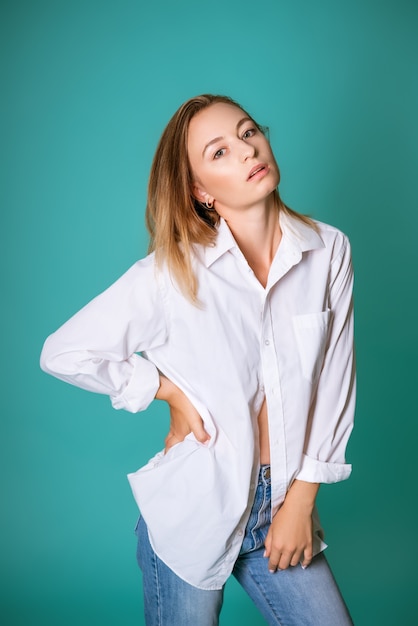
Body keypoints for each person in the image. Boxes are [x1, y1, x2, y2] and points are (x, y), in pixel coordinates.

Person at [40, 94, 356, 625]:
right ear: (200, 191)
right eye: (219, 151)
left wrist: (301, 500)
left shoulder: (329, 251)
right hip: (192, 509)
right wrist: (164, 388)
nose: (246, 150)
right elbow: (63, 352)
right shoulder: (172, 272)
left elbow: (335, 385)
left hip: (282, 501)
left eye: (248, 132)